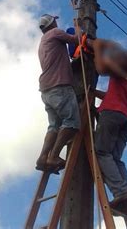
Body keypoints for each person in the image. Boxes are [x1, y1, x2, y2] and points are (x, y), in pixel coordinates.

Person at [93, 48, 127, 216]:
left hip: (113, 113)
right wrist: (92, 93)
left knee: (102, 152)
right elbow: (112, 95)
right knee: (115, 159)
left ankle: (122, 192)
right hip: (126, 118)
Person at [36, 14, 81, 173]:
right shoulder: (55, 33)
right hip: (59, 85)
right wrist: (77, 25)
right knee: (72, 122)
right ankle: (53, 156)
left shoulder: (42, 42)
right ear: (52, 22)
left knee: (54, 125)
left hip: (46, 88)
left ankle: (43, 158)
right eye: (55, 20)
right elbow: (78, 39)